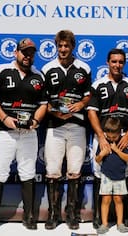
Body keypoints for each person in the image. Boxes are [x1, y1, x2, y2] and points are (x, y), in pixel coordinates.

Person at [0, 38, 47, 231]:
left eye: (31, 53)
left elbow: (44, 104)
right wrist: (4, 118)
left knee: (28, 173)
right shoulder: (2, 70)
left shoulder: (39, 75)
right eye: (24, 52)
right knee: (0, 172)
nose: (27, 56)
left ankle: (29, 217)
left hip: (28, 133)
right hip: (5, 132)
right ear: (16, 53)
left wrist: (36, 121)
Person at [41, 30, 92, 230]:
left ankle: (72, 214)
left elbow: (88, 96)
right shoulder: (47, 69)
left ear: (73, 47)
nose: (63, 49)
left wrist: (80, 105)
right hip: (55, 126)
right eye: (60, 46)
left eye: (67, 46)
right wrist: (54, 112)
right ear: (56, 47)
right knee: (52, 171)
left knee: (74, 171)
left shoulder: (83, 68)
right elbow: (43, 101)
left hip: (78, 126)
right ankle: (53, 214)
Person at [87, 48, 128, 229]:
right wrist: (101, 137)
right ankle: (98, 216)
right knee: (98, 172)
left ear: (124, 63)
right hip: (103, 135)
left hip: (124, 136)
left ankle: (124, 216)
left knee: (125, 173)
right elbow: (92, 113)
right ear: (107, 62)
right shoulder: (98, 85)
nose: (117, 65)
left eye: (120, 62)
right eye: (114, 61)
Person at [95, 117, 128, 234]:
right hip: (106, 176)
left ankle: (120, 223)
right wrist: (102, 153)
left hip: (120, 176)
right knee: (105, 199)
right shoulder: (104, 142)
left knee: (118, 199)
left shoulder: (122, 143)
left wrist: (116, 150)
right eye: (109, 137)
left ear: (120, 133)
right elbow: (97, 159)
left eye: (114, 137)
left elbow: (127, 158)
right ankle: (104, 224)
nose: (111, 139)